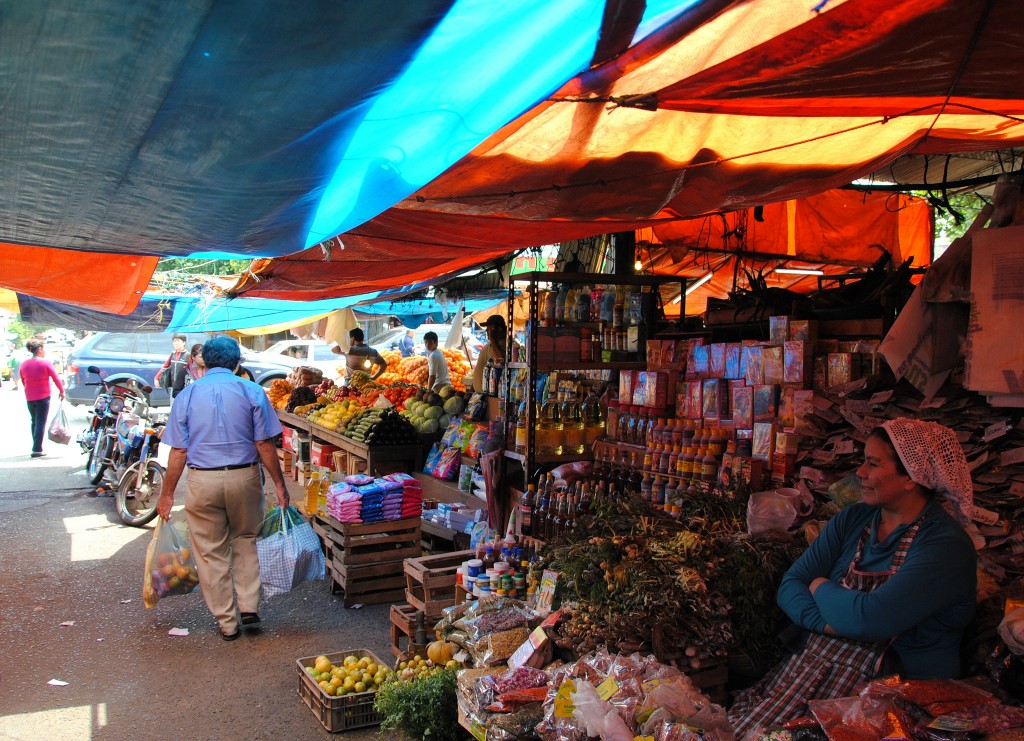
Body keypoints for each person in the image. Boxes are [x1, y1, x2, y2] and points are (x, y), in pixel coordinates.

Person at [727, 418, 977, 736]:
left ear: (911, 477)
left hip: (890, 697)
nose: (860, 473)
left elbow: (868, 619)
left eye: (873, 463)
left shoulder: (944, 546)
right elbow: (790, 586)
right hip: (810, 672)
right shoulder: (854, 518)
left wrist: (818, 585)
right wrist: (833, 623)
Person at [156, 336, 289, 641]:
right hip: (245, 478)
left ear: (203, 362)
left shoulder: (187, 396)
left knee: (211, 552)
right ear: (237, 362)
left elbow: (178, 452)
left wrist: (166, 495)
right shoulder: (252, 391)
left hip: (203, 481)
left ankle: (227, 623)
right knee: (246, 540)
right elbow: (264, 444)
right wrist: (280, 485)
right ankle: (249, 607)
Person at [19, 339, 66, 458]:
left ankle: (35, 445)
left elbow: (23, 380)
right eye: (43, 348)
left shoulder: (24, 364)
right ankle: (37, 449)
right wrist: (61, 391)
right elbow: (56, 378)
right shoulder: (45, 363)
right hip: (43, 397)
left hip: (29, 397)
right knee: (40, 421)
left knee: (34, 421)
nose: (44, 351)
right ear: (39, 349)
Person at [471, 315, 508, 393]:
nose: (487, 331)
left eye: (490, 329)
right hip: (480, 396)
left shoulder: (507, 345)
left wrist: (493, 339)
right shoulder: (488, 346)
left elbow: (502, 360)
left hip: (491, 398)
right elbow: (479, 369)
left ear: (499, 329)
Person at [154, 333, 190, 401]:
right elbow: (165, 366)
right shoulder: (173, 354)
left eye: (178, 341)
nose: (176, 343)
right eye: (174, 341)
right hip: (173, 386)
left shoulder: (188, 355)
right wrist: (156, 378)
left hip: (184, 386)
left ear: (184, 342)